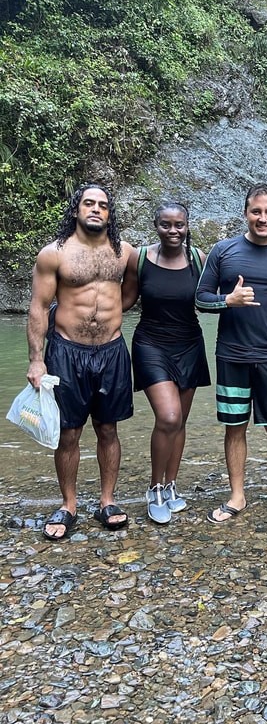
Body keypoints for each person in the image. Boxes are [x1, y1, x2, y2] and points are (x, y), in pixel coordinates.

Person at [195, 182, 267, 522]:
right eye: (256, 211)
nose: (262, 218)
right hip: (231, 355)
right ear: (246, 213)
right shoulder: (223, 251)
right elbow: (200, 298)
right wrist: (227, 300)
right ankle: (237, 496)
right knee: (235, 427)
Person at [27, 183, 134, 541]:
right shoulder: (53, 254)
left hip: (112, 351)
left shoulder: (125, 253)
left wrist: (112, 316)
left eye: (103, 205)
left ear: (109, 213)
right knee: (69, 432)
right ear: (76, 209)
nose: (96, 209)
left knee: (108, 428)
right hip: (67, 352)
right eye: (89, 203)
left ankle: (107, 501)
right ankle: (68, 504)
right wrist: (36, 361)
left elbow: (130, 292)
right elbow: (39, 308)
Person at [121, 201, 210, 525]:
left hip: (189, 345)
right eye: (166, 225)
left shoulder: (199, 260)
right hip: (150, 344)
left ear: (187, 226)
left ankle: (171, 485)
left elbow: (212, 298)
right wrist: (90, 318)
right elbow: (126, 299)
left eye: (179, 225)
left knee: (180, 422)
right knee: (169, 416)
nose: (173, 231)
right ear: (156, 225)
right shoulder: (140, 258)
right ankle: (154, 488)